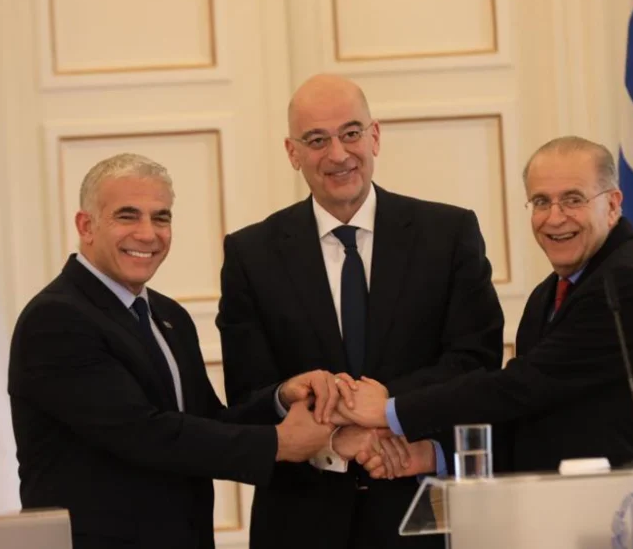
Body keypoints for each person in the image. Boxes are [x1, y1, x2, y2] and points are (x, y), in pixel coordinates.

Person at [8, 153, 360, 549]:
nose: (148, 233)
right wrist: (280, 442)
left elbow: (208, 420)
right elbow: (144, 433)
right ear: (86, 226)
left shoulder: (167, 315)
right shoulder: (55, 319)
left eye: (161, 217)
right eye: (128, 216)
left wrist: (284, 398)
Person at [215, 74, 504, 548]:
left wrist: (388, 407)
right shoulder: (251, 254)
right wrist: (324, 432)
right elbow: (247, 399)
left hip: (421, 515)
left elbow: (476, 364)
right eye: (316, 140)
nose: (337, 154)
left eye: (351, 133)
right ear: (292, 153)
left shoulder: (448, 234)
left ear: (375, 136)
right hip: (301, 524)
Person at [338, 136, 633, 474]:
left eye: (573, 199)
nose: (554, 218)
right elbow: (530, 412)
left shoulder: (625, 284)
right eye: (541, 201)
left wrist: (390, 409)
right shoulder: (549, 294)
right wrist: (432, 456)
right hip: (569, 511)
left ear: (613, 205)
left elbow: (521, 387)